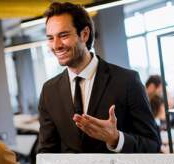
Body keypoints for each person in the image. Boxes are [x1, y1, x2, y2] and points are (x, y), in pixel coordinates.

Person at [38, 2, 160, 154]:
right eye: (50, 38)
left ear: (84, 34)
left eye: (63, 35)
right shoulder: (49, 90)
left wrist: (116, 139)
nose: (56, 45)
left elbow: (152, 144)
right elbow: (46, 151)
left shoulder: (127, 81)